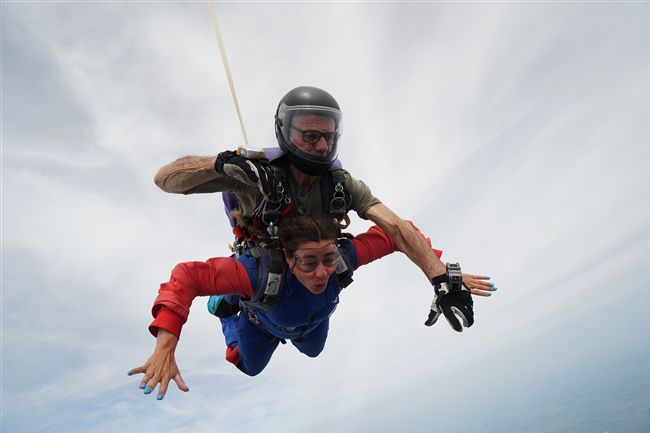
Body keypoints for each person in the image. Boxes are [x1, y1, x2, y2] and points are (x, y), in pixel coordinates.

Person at [154, 86, 490, 329]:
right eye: (311, 136)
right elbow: (166, 180)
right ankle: (227, 300)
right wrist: (222, 164)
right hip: (261, 262)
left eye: (329, 137)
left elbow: (396, 227)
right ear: (285, 132)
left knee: (313, 344)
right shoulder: (256, 177)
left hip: (312, 266)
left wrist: (439, 276)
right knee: (250, 358)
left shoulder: (339, 183)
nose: (323, 145)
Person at [128, 215, 494, 400]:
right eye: (308, 262)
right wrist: (166, 344)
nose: (322, 272)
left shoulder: (345, 258)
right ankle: (227, 306)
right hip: (260, 321)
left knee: (314, 351)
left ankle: (246, 305)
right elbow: (186, 277)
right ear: (288, 259)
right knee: (248, 366)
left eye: (328, 258)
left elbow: (400, 233)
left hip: (311, 321)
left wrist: (439, 272)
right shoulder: (256, 273)